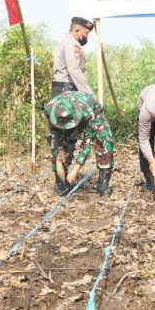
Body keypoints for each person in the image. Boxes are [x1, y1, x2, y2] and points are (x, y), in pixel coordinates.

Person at [50, 16, 94, 194]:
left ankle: (63, 180)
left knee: (65, 138)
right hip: (67, 94)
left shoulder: (66, 42)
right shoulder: (73, 44)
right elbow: (75, 71)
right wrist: (88, 95)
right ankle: (61, 183)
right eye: (85, 33)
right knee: (64, 138)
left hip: (63, 92)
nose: (86, 37)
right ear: (77, 31)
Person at [44, 91, 114, 195]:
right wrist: (60, 150)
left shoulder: (88, 111)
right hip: (66, 118)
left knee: (104, 139)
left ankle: (103, 185)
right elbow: (55, 133)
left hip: (91, 114)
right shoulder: (49, 108)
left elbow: (87, 141)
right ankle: (61, 183)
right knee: (56, 147)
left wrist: (76, 169)